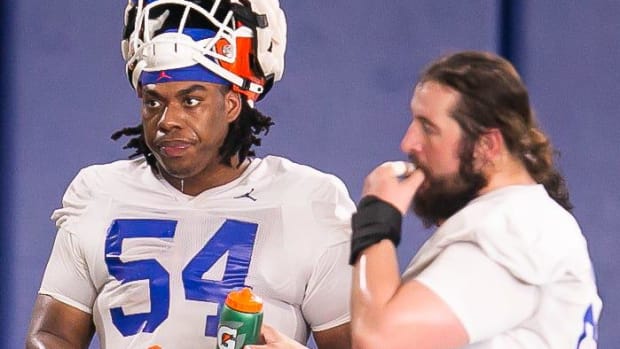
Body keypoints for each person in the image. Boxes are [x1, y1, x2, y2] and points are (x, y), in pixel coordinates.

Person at [26, 1, 354, 348]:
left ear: (232, 104)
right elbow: (52, 334)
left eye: (191, 100)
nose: (167, 120)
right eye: (154, 102)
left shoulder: (309, 201)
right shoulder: (99, 192)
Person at [348, 51, 602, 349]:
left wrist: (377, 217)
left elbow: (379, 340)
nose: (409, 143)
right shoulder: (518, 219)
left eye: (428, 128)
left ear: (487, 145)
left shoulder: (512, 228)